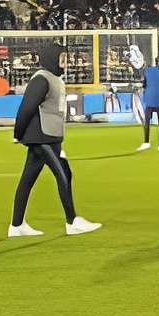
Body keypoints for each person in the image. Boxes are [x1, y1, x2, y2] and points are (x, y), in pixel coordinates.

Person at [9, 48, 101, 239]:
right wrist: (18, 133)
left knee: (28, 179)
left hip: (48, 137)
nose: (65, 61)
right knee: (64, 174)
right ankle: (72, 221)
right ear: (52, 58)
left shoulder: (53, 78)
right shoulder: (42, 79)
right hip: (42, 137)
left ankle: (16, 225)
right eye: (62, 57)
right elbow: (26, 107)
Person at [138, 54, 159, 153]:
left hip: (149, 99)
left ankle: (146, 142)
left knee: (147, 122)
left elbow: (144, 84)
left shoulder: (148, 71)